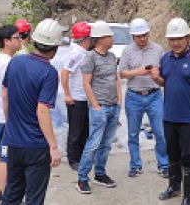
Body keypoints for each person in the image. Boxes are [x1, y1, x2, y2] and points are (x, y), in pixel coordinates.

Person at [1, 19, 64, 205]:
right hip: (36, 146)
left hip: (14, 141)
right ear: (55, 48)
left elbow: (5, 96)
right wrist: (53, 147)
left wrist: (10, 125)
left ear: (34, 41)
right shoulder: (49, 72)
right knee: (34, 198)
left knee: (12, 194)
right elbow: (42, 110)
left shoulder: (16, 62)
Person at [152, 18, 190, 205]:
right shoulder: (165, 59)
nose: (175, 43)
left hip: (189, 118)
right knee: (173, 154)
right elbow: (165, 82)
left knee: (188, 156)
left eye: (179, 39)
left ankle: (188, 195)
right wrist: (156, 78)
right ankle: (173, 186)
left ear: (188, 38)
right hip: (169, 116)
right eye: (172, 39)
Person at [76, 21, 122, 194]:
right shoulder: (90, 57)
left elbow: (116, 79)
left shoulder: (111, 57)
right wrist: (95, 106)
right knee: (93, 144)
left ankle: (100, 173)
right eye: (110, 36)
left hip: (113, 106)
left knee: (107, 144)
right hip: (99, 108)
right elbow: (86, 83)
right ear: (101, 39)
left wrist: (119, 101)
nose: (112, 38)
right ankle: (82, 178)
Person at [118, 18, 168, 178]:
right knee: (133, 133)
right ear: (133, 36)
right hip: (134, 96)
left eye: (145, 35)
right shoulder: (127, 51)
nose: (142, 38)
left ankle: (164, 164)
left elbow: (165, 72)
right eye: (139, 36)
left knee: (160, 132)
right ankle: (135, 165)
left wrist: (156, 74)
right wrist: (137, 72)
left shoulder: (158, 50)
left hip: (154, 95)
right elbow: (122, 73)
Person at [0, 25, 22, 203]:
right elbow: (5, 93)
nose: (20, 41)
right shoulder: (8, 63)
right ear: (6, 41)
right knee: (5, 158)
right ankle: (7, 197)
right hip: (5, 118)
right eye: (16, 38)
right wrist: (10, 119)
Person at [61, 22, 92, 171]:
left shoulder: (83, 52)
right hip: (76, 98)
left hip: (85, 98)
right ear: (86, 38)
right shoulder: (77, 53)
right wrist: (67, 94)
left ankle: (81, 157)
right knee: (75, 131)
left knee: (84, 130)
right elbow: (65, 72)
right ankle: (73, 159)